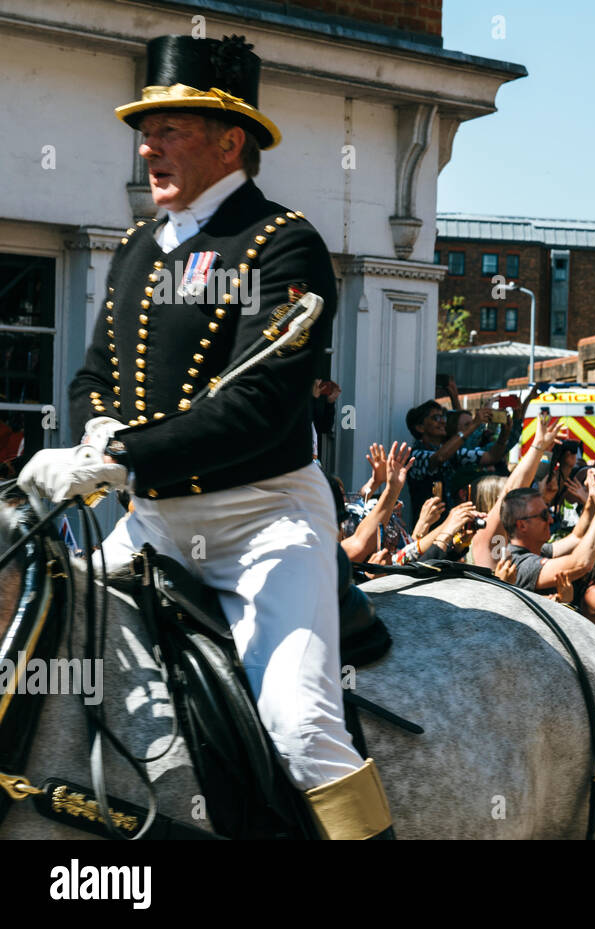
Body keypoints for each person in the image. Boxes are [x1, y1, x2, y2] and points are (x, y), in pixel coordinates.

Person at [19, 35, 392, 839]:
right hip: (152, 525)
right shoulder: (136, 246)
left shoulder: (282, 242)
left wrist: (119, 456)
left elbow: (258, 409)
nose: (148, 146)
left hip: (262, 523)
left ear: (232, 141)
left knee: (303, 724)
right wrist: (99, 426)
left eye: (170, 129)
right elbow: (94, 376)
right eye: (145, 131)